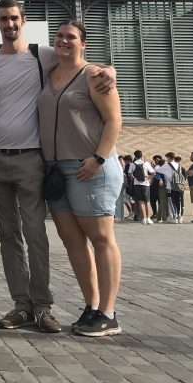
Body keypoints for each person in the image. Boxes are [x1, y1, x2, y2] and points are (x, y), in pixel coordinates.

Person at [0, 0, 116, 334]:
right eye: (3, 19)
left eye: (14, 18)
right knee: (8, 235)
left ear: (23, 21)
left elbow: (81, 62)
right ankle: (21, 305)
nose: (9, 24)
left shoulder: (43, 55)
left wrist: (109, 69)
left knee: (35, 232)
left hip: (30, 158)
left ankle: (43, 306)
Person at [37, 20, 123, 337]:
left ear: (83, 43)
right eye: (59, 36)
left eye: (71, 37)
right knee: (72, 240)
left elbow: (114, 119)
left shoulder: (93, 75)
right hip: (56, 170)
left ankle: (109, 313)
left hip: (89, 167)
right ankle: (92, 305)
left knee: (101, 238)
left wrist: (98, 158)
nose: (63, 41)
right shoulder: (48, 71)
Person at [128, 150, 153, 225]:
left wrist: (134, 178)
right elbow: (153, 173)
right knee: (147, 201)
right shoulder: (146, 163)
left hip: (137, 184)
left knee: (140, 202)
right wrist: (148, 178)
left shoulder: (132, 164)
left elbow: (129, 174)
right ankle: (148, 218)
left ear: (135, 156)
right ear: (142, 156)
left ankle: (143, 218)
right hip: (145, 184)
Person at [169, 155, 187, 223]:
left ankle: (177, 216)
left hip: (174, 187)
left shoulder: (174, 169)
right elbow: (185, 179)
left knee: (175, 201)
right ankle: (179, 216)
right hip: (180, 188)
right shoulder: (182, 169)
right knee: (179, 201)